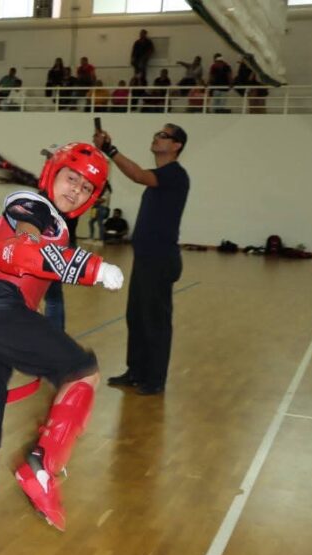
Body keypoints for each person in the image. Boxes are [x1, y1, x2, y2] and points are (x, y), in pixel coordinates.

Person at [0, 142, 124, 555]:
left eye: (85, 186)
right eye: (72, 178)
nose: (75, 190)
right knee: (82, 371)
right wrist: (90, 268)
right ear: (53, 173)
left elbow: (8, 255)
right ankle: (42, 466)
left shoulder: (48, 215)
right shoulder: (32, 205)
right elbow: (20, 251)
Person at [94, 123, 190, 396]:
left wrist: (111, 150)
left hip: (161, 260)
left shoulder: (175, 174)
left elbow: (137, 175)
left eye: (163, 135)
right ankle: (135, 371)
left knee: (156, 322)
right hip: (145, 258)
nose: (156, 136)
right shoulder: (161, 176)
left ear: (176, 145)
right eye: (156, 132)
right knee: (136, 317)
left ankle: (155, 379)